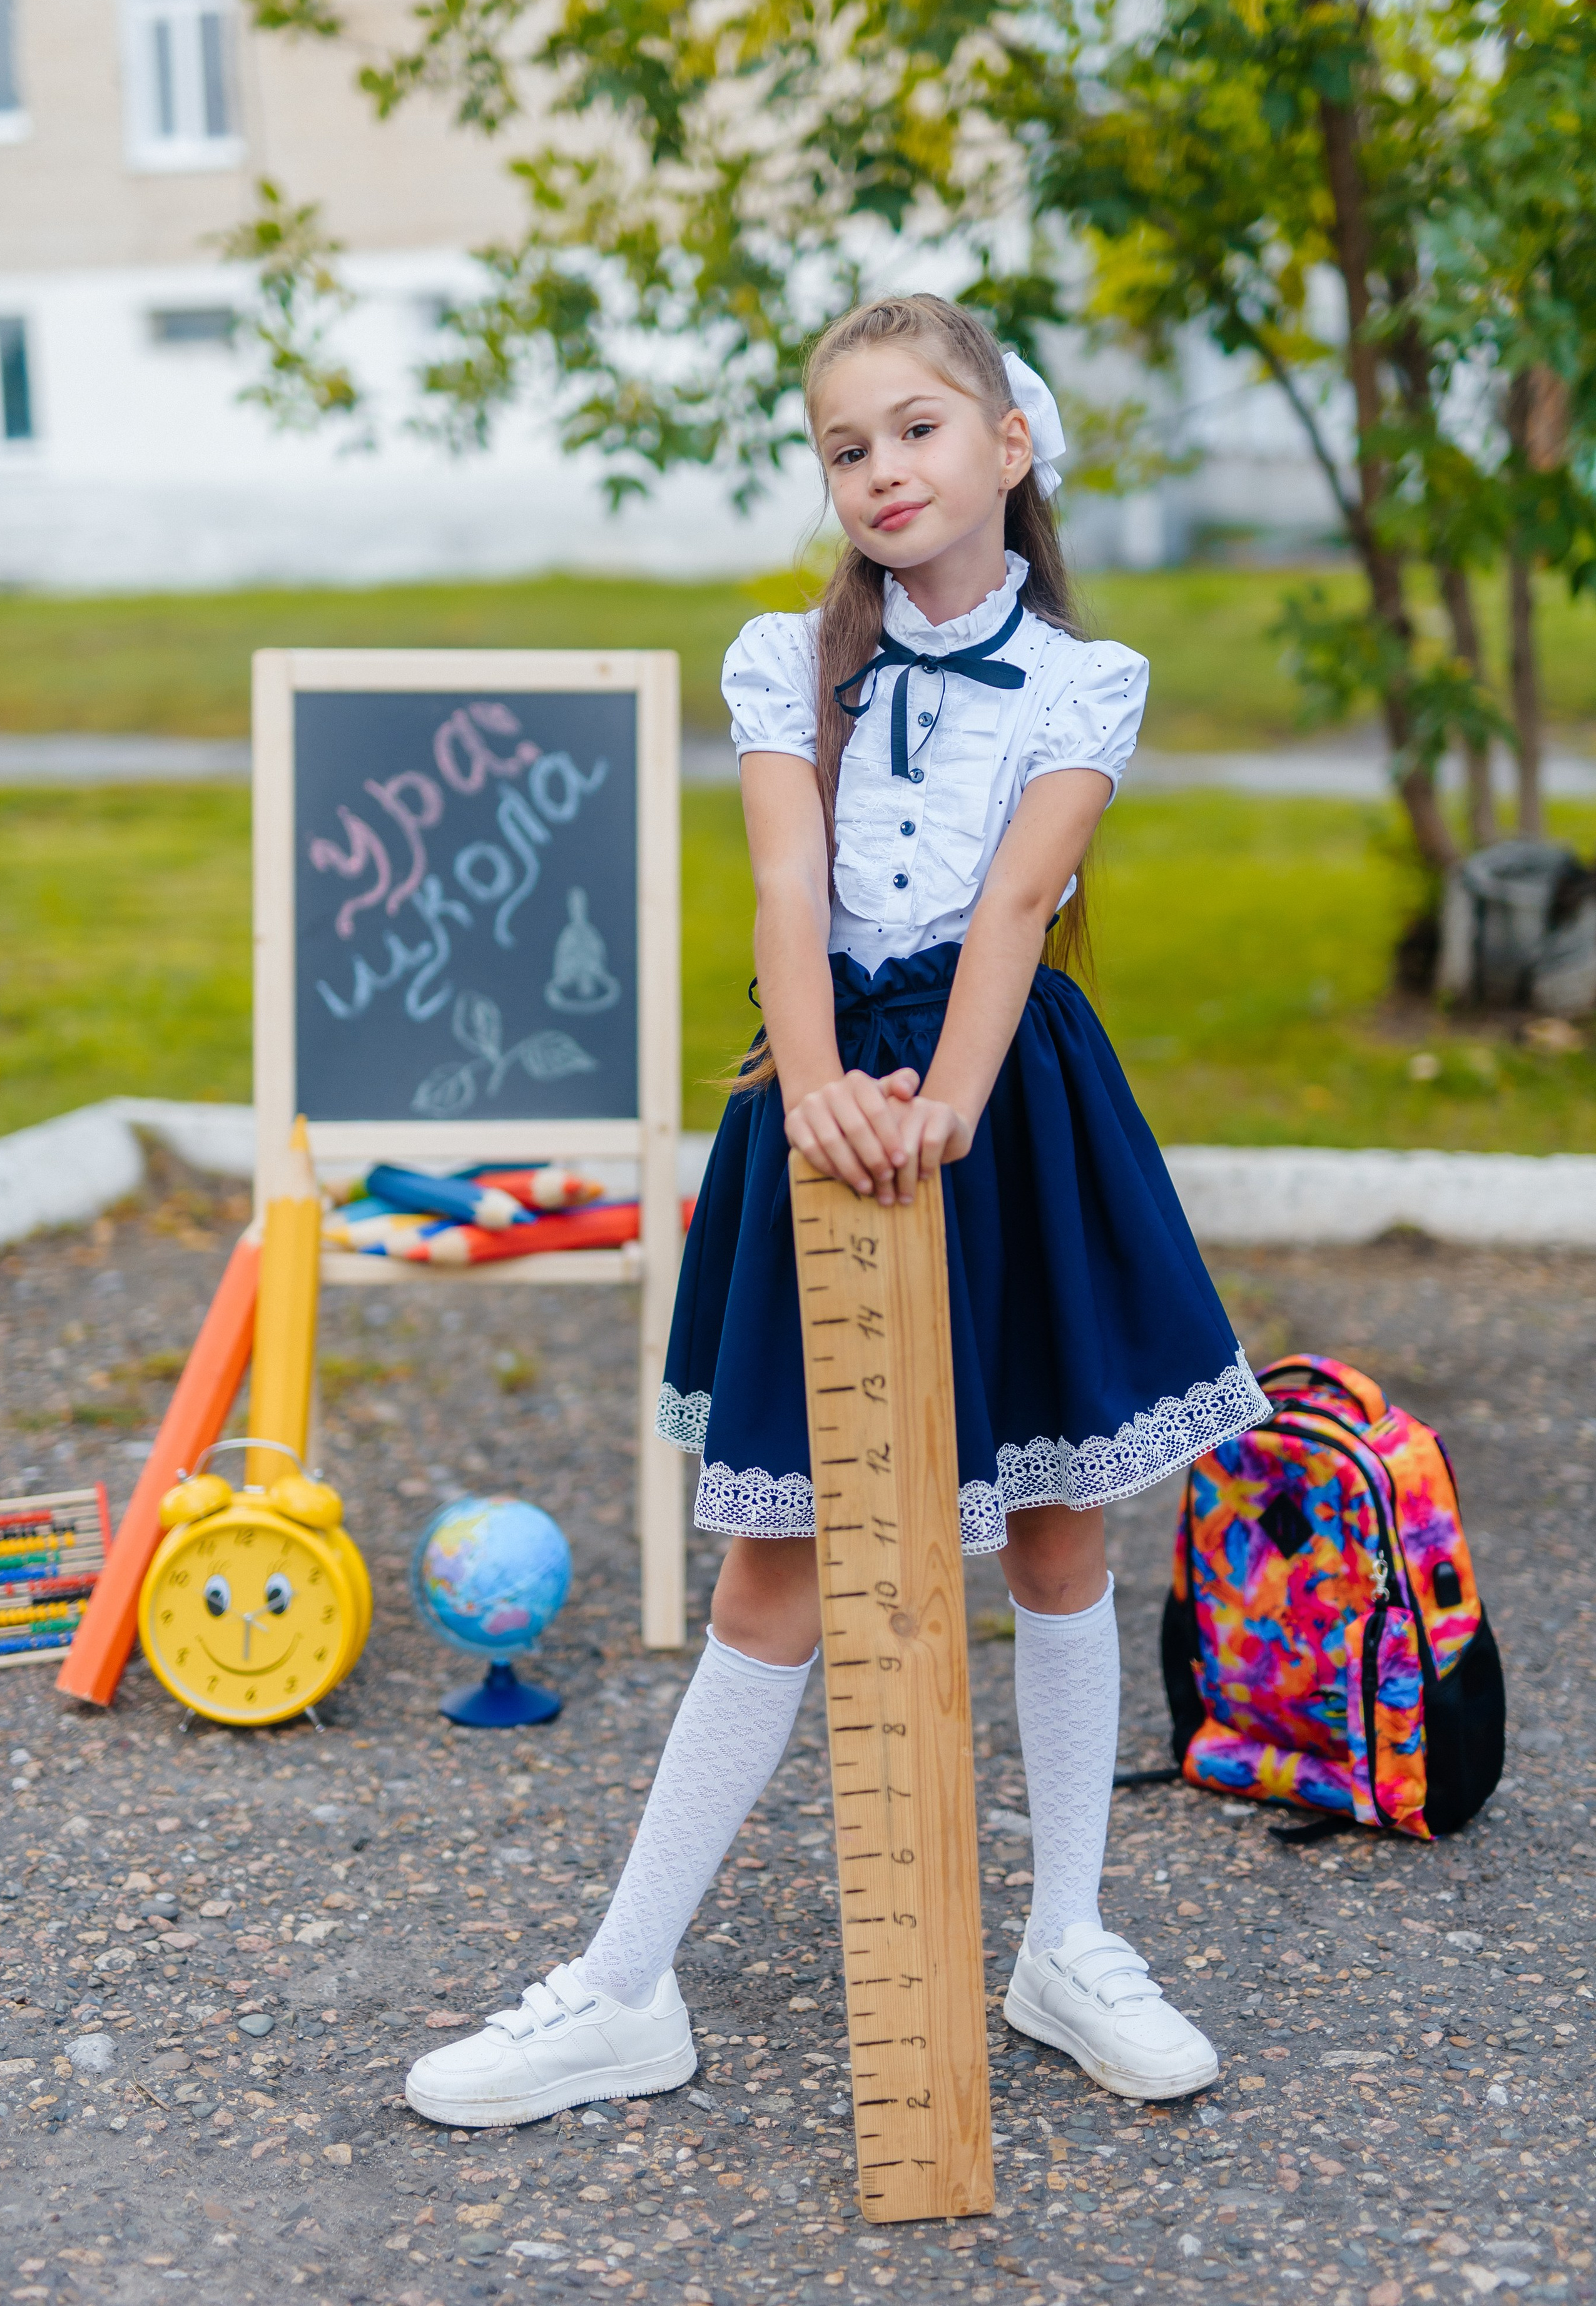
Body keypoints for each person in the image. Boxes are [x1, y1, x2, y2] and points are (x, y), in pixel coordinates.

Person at [405, 294, 1269, 2131]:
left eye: (917, 430)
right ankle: (624, 1985)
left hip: (1008, 1105)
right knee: (777, 1557)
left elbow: (1023, 906)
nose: (881, 470)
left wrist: (949, 1097)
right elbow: (787, 880)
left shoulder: (1081, 680)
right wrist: (814, 1087)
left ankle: (1068, 1938)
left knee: (1053, 1524)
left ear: (1009, 448)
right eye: (845, 446)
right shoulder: (784, 661)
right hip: (828, 1096)